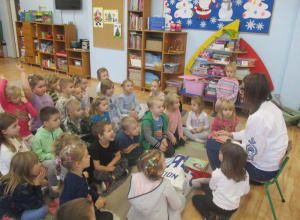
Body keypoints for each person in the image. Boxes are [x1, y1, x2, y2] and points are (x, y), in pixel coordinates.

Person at [206, 73, 289, 183]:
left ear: (252, 92)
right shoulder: (271, 106)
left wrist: (230, 141)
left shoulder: (258, 118)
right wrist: (231, 134)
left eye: (243, 89)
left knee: (212, 143)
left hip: (260, 171)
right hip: (270, 165)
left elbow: (251, 156)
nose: (241, 92)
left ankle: (221, 181)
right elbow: (252, 134)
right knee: (222, 141)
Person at [54, 141, 113, 220]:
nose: (89, 156)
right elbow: (82, 212)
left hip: (74, 202)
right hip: (75, 214)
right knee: (108, 216)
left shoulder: (73, 174)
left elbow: (88, 188)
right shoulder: (79, 187)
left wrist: (98, 197)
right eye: (86, 156)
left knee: (93, 187)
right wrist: (96, 206)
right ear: (78, 164)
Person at [192, 143, 250, 220]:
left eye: (220, 152)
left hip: (218, 205)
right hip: (234, 207)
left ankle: (207, 216)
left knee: (196, 198)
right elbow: (246, 191)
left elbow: (212, 187)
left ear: (225, 159)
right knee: (206, 188)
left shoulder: (217, 173)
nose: (219, 152)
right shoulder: (245, 172)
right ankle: (225, 216)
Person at [127, 149, 186, 220]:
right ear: (158, 171)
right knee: (181, 198)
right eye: (164, 160)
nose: (165, 160)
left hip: (137, 217)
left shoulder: (134, 177)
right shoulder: (165, 184)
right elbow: (177, 206)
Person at [0, 152, 48, 220]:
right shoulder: (23, 186)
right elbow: (37, 204)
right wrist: (37, 185)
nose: (40, 164)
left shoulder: (10, 177)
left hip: (8, 209)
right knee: (43, 210)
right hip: (10, 216)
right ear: (28, 168)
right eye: (36, 163)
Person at [0, 76, 37, 149]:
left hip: (28, 134)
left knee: (37, 147)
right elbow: (1, 92)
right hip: (17, 137)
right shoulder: (7, 106)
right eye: (16, 97)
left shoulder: (24, 103)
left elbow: (35, 114)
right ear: (8, 99)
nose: (19, 98)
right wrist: (4, 80)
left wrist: (27, 103)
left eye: (20, 95)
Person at [90, 121, 128, 191]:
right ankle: (118, 173)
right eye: (109, 131)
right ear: (100, 136)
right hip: (101, 169)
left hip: (111, 163)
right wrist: (109, 169)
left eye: (112, 129)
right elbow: (97, 166)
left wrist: (109, 166)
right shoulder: (94, 147)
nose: (112, 132)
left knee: (124, 161)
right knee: (97, 175)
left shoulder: (113, 141)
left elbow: (118, 156)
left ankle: (110, 179)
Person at [18, 64, 54, 135]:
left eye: (44, 86)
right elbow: (26, 88)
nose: (43, 88)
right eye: (40, 87)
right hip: (38, 129)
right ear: (32, 88)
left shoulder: (48, 96)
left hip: (50, 127)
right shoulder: (33, 98)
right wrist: (23, 72)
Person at [48, 133, 81, 199]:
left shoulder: (68, 158)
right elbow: (68, 185)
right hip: (59, 193)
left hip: (67, 185)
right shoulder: (58, 165)